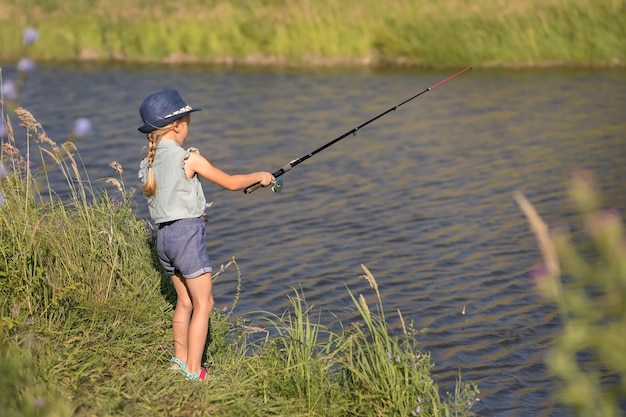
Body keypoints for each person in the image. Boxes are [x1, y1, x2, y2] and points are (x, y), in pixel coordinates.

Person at [137, 89, 274, 381]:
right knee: (205, 304)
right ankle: (194, 371)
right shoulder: (189, 157)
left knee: (184, 303)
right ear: (176, 125)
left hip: (164, 239)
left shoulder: (148, 164)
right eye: (187, 121)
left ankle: (178, 362)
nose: (188, 127)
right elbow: (231, 182)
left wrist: (195, 210)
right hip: (187, 237)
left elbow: (172, 201)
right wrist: (260, 176)